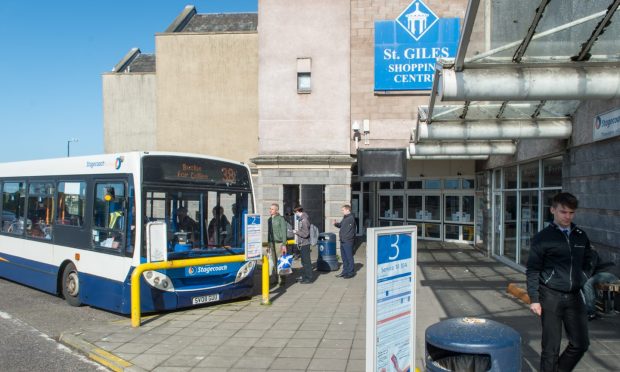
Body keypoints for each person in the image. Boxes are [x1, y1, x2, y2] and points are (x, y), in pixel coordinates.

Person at [526, 192, 593, 372]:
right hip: (550, 296)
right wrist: (534, 299)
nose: (567, 216)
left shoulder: (580, 236)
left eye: (571, 213)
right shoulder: (543, 237)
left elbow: (590, 260)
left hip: (574, 297)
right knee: (551, 348)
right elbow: (533, 269)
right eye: (563, 212)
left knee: (581, 343)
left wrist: (583, 277)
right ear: (553, 210)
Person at [583, 249, 618, 320]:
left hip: (608, 273)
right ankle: (593, 309)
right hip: (608, 273)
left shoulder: (591, 252)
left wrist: (585, 277)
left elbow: (591, 267)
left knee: (587, 284)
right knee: (591, 283)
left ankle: (591, 312)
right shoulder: (590, 252)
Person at [267, 203, 288, 286]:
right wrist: (268, 244)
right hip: (271, 243)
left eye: (272, 209)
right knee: (274, 262)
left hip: (279, 243)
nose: (270, 210)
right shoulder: (269, 219)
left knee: (280, 261)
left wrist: (284, 244)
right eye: (270, 209)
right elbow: (269, 233)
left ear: (276, 210)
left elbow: (283, 231)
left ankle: (282, 279)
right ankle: (276, 279)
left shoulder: (280, 219)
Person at [334, 204, 356, 279]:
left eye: (343, 210)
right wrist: (336, 224)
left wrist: (346, 239)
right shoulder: (345, 217)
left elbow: (349, 231)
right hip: (343, 241)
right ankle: (345, 271)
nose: (342, 211)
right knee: (344, 258)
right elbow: (341, 225)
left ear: (347, 210)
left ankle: (350, 272)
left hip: (347, 241)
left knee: (349, 257)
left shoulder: (350, 218)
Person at [293, 205, 313, 284]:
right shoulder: (302, 219)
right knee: (304, 261)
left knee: (306, 262)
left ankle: (308, 278)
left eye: (295, 213)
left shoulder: (304, 220)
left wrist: (296, 232)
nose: (295, 214)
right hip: (302, 243)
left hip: (305, 243)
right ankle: (305, 276)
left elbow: (305, 234)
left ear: (298, 212)